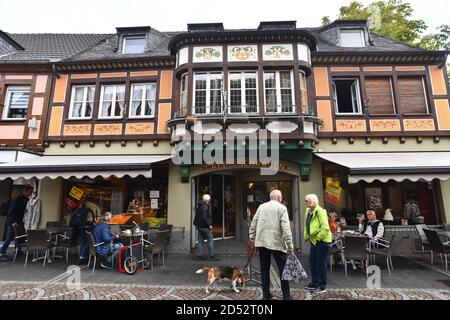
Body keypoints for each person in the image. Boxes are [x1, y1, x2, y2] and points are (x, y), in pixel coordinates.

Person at [249, 190, 293, 300]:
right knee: (283, 270)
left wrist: (252, 237)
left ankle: (266, 295)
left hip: (262, 242)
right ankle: (286, 296)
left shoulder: (261, 207)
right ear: (279, 198)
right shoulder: (282, 208)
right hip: (277, 243)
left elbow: (253, 222)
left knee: (264, 269)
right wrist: (290, 243)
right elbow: (286, 228)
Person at [304, 194, 332, 294]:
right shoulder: (308, 211)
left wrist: (318, 238)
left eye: (306, 201)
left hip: (322, 241)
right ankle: (315, 282)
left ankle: (322, 285)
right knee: (313, 262)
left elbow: (325, 228)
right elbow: (306, 224)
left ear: (312, 201)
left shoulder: (320, 211)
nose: (305, 202)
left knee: (321, 264)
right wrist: (306, 236)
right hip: (314, 241)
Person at [0, 185, 34, 261]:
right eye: (30, 192)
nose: (31, 193)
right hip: (13, 222)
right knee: (10, 237)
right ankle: (1, 252)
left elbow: (18, 209)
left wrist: (23, 210)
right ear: (25, 191)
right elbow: (11, 211)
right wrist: (12, 222)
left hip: (18, 221)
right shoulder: (18, 199)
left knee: (20, 236)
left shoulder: (25, 199)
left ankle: (18, 250)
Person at [193, 194, 218, 261]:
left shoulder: (200, 205)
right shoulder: (205, 207)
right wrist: (209, 225)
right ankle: (211, 256)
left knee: (200, 241)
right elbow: (204, 217)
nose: (209, 200)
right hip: (204, 226)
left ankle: (200, 255)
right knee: (210, 240)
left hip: (199, 226)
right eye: (209, 199)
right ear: (207, 200)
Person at [70, 199, 95, 265]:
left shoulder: (80, 209)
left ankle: (82, 256)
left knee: (84, 241)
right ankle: (82, 258)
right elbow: (91, 220)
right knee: (87, 242)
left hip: (79, 227)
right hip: (86, 228)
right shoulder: (89, 210)